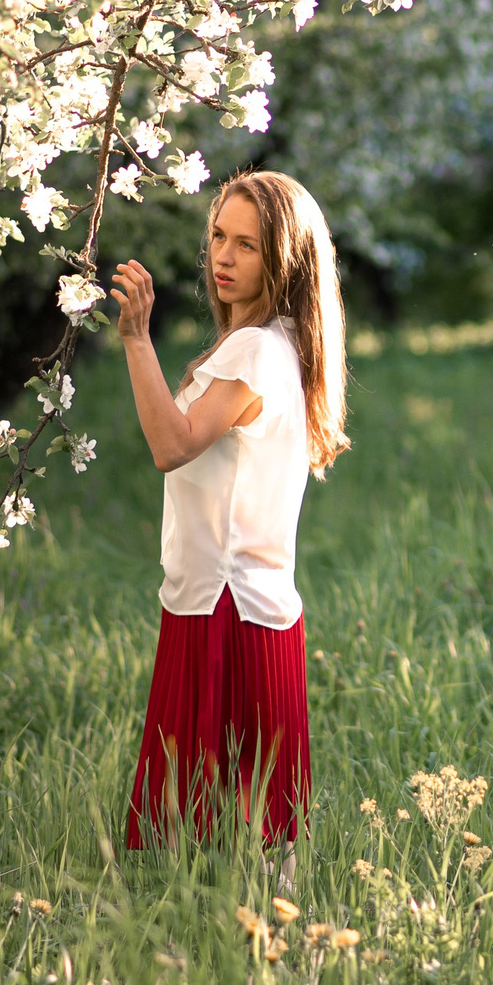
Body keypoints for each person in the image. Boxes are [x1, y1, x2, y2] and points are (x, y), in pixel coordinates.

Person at [112, 170, 349, 883]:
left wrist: (135, 340)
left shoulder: (254, 352)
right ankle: (240, 948)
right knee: (247, 836)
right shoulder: (276, 344)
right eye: (218, 235)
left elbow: (172, 444)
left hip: (226, 606)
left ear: (282, 260)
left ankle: (225, 954)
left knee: (210, 835)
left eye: (247, 244)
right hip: (243, 600)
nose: (224, 255)